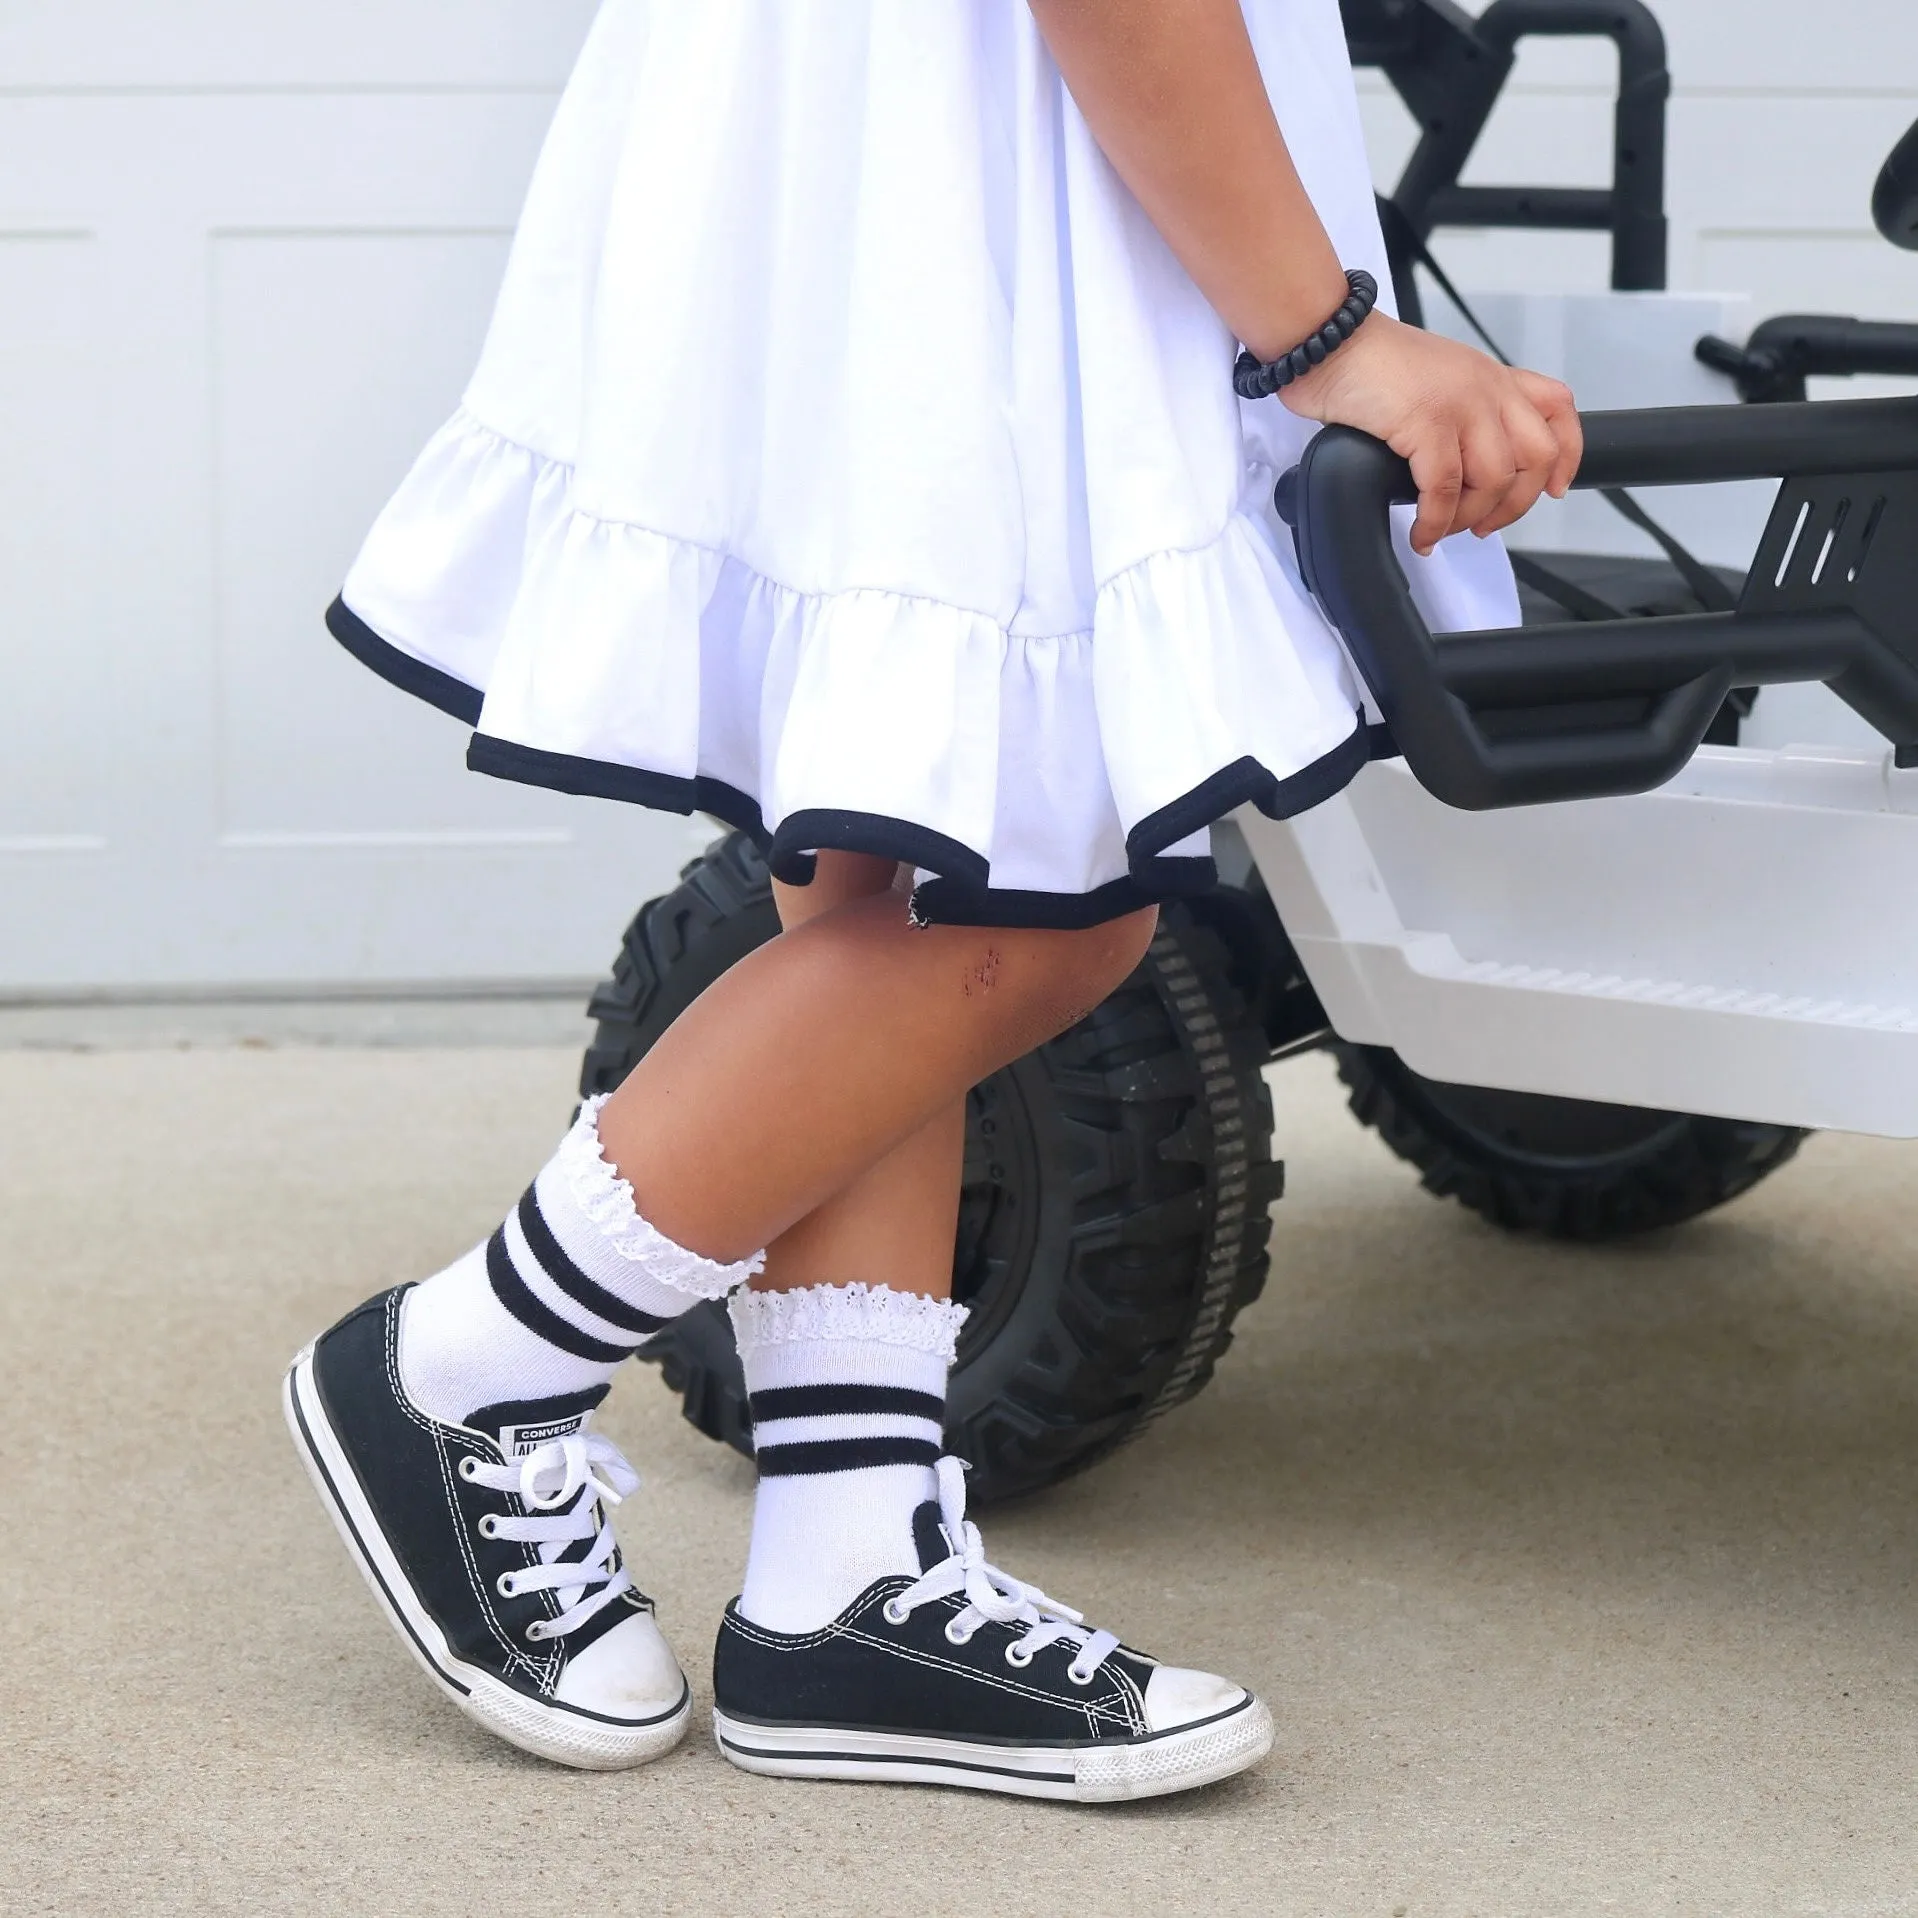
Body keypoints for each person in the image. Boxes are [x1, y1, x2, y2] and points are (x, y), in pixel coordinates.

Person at [286, 0, 1579, 1802]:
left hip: (909, 140)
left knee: (911, 843)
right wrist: (1327, 339)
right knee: (1048, 894)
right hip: (969, 162)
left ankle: (844, 1574)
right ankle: (471, 1359)